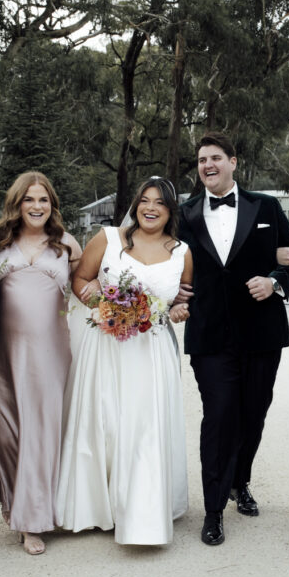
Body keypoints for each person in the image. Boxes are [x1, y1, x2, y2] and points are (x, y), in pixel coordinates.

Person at [178, 132, 289, 546]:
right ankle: (213, 509)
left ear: (234, 162)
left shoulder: (265, 206)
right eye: (201, 160)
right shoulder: (184, 213)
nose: (208, 165)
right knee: (218, 418)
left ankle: (240, 481)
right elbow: (160, 259)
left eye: (216, 157)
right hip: (210, 334)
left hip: (261, 332)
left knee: (253, 414)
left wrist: (275, 280)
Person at [56, 177, 192, 545]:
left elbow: (181, 300)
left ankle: (143, 512)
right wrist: (106, 310)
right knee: (106, 422)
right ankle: (96, 507)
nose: (150, 208)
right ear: (135, 204)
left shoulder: (181, 252)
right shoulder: (108, 238)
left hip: (152, 351)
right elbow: (80, 280)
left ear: (170, 211)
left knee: (146, 425)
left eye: (159, 203)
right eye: (144, 201)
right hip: (108, 347)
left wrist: (179, 310)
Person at [0, 172, 82, 555]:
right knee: (6, 430)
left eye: (44, 200)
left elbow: (89, 286)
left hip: (51, 352)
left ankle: (33, 520)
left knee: (40, 430)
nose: (37, 207)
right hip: (3, 352)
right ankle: (13, 499)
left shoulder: (67, 244)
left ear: (52, 205)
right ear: (17, 203)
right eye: (29, 200)